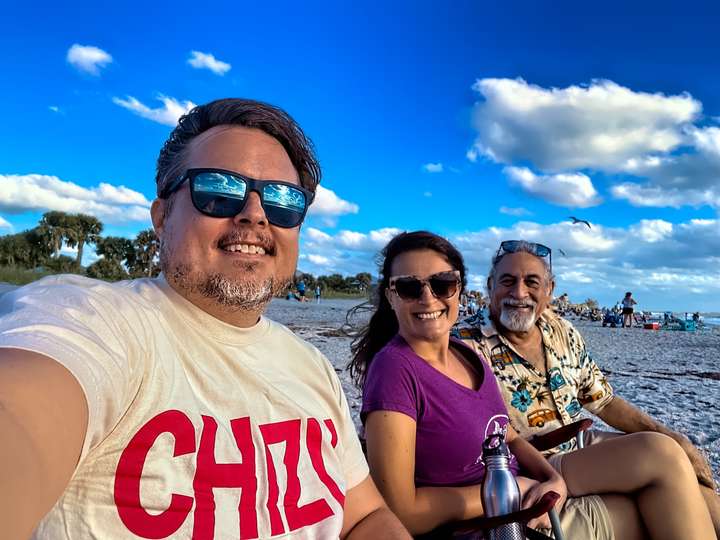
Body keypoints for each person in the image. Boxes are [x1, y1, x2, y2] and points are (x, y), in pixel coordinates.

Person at [0, 98, 410, 539]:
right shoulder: (97, 320)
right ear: (162, 217)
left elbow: (365, 518)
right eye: (218, 190)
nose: (255, 213)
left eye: (283, 201)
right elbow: (21, 412)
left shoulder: (311, 367)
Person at [348, 231, 637, 539]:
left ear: (460, 289)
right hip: (494, 526)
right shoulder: (394, 370)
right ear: (391, 296)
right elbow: (400, 511)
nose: (428, 297)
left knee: (668, 494)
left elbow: (508, 437)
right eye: (408, 287)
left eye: (442, 283)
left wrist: (553, 479)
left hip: (524, 505)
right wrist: (514, 489)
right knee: (646, 504)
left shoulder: (468, 356)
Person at [455, 239, 718, 538]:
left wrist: (676, 436)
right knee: (661, 453)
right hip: (532, 460)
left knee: (691, 477)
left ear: (549, 290)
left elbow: (603, 402)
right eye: (507, 281)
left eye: (531, 282)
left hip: (577, 443)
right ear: (490, 285)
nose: (519, 293)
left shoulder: (561, 330)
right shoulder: (465, 345)